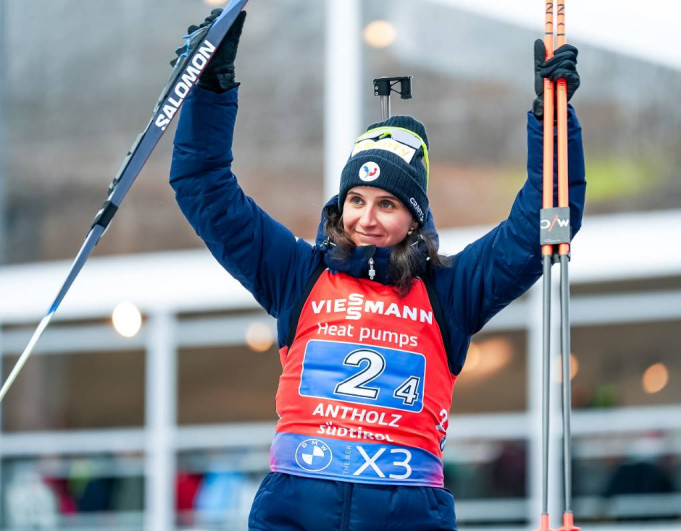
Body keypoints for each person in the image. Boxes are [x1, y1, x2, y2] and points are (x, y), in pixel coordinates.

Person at [170, 9, 586, 531]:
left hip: (407, 514)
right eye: (356, 200)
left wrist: (553, 119)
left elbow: (543, 223)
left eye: (387, 204)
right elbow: (204, 187)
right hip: (295, 510)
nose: (366, 218)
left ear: (415, 216)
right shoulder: (297, 272)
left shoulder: (448, 291)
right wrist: (209, 84)